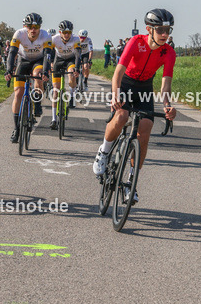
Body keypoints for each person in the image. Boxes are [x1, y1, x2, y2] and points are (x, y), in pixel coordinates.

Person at [92, 10, 177, 204]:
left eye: (168, 30)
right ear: (149, 29)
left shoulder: (169, 52)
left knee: (145, 130)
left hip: (145, 88)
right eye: (161, 30)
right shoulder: (136, 42)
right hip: (127, 83)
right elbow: (117, 74)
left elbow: (165, 85)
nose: (165, 34)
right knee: (121, 116)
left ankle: (131, 181)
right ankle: (103, 153)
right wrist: (116, 96)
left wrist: (167, 106)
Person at [5, 13, 54, 142]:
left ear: (40, 27)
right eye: (30, 26)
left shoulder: (46, 36)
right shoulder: (18, 34)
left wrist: (45, 72)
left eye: (36, 26)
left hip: (38, 61)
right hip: (23, 60)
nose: (33, 29)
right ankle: (16, 128)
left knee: (38, 76)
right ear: (25, 27)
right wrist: (9, 70)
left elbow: (47, 55)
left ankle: (37, 103)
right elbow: (12, 53)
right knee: (18, 94)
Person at [46, 20, 82, 131]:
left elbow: (77, 54)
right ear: (60, 32)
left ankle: (71, 96)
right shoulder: (54, 39)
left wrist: (77, 68)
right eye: (64, 32)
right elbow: (49, 53)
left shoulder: (75, 39)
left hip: (71, 60)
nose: (67, 35)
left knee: (71, 75)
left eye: (69, 32)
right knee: (56, 91)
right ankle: (53, 119)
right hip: (59, 60)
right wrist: (50, 64)